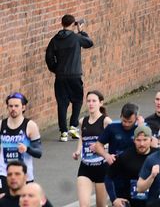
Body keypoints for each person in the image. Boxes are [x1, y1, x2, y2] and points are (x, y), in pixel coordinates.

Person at [45, 14, 93, 142]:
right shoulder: (76, 38)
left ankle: (63, 132)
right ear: (73, 24)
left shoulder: (54, 40)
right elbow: (89, 43)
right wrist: (81, 30)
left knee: (62, 103)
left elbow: (49, 57)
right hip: (75, 75)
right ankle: (73, 125)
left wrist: (55, 69)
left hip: (60, 76)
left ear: (62, 24)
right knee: (77, 100)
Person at [73, 90, 110, 207]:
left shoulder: (106, 121)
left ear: (101, 103)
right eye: (88, 101)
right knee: (83, 205)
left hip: (102, 168)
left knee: (101, 205)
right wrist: (78, 151)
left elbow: (113, 140)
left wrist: (100, 147)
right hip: (85, 167)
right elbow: (82, 138)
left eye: (94, 101)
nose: (91, 104)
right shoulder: (82, 121)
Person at [2, 95, 42, 183]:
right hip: (4, 173)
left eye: (16, 106)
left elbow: (39, 153)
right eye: (10, 106)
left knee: (24, 197)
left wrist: (26, 149)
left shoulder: (30, 126)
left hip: (24, 174)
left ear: (23, 107)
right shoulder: (1, 125)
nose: (13, 109)